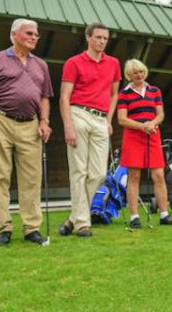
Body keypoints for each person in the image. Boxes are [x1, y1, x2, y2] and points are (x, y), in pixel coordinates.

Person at [0, 18, 53, 247]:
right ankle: (4, 228)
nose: (34, 37)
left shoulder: (41, 65)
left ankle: (31, 228)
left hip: (30, 125)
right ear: (14, 35)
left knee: (31, 178)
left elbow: (44, 97)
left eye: (36, 34)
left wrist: (44, 121)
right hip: (0, 120)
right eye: (29, 33)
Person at [59, 22, 121, 237]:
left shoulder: (113, 63)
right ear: (88, 38)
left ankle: (72, 218)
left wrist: (109, 120)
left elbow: (115, 95)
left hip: (101, 119)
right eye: (98, 37)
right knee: (79, 171)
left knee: (98, 173)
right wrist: (68, 125)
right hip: (78, 114)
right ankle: (82, 224)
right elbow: (64, 97)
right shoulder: (73, 62)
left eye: (105, 38)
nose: (102, 41)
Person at [117, 59, 172, 227]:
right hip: (133, 137)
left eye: (142, 71)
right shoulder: (124, 93)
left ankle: (164, 214)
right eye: (135, 72)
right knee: (134, 176)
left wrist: (152, 123)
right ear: (129, 75)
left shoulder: (155, 91)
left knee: (158, 175)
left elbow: (160, 114)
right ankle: (134, 217)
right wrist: (142, 126)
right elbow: (122, 119)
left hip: (152, 135)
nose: (139, 75)